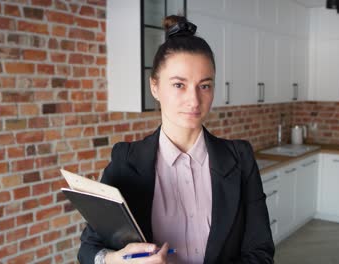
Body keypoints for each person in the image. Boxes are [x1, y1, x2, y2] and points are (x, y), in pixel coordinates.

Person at [77, 15, 275, 264]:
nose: (194, 100)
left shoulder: (240, 157)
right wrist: (115, 260)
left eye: (204, 86)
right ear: (155, 87)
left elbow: (261, 254)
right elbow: (88, 251)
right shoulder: (126, 160)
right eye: (179, 85)